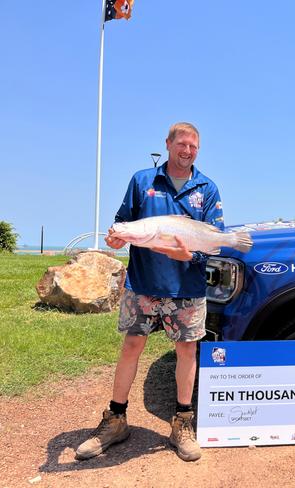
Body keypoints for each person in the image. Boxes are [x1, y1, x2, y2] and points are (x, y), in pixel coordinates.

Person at [76, 122, 223, 462]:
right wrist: (116, 237)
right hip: (142, 284)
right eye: (182, 144)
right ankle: (115, 421)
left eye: (194, 146)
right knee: (131, 347)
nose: (187, 151)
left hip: (187, 286)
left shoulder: (208, 188)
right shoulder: (143, 181)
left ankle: (182, 424)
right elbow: (122, 223)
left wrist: (191, 256)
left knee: (187, 351)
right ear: (168, 144)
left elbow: (215, 238)